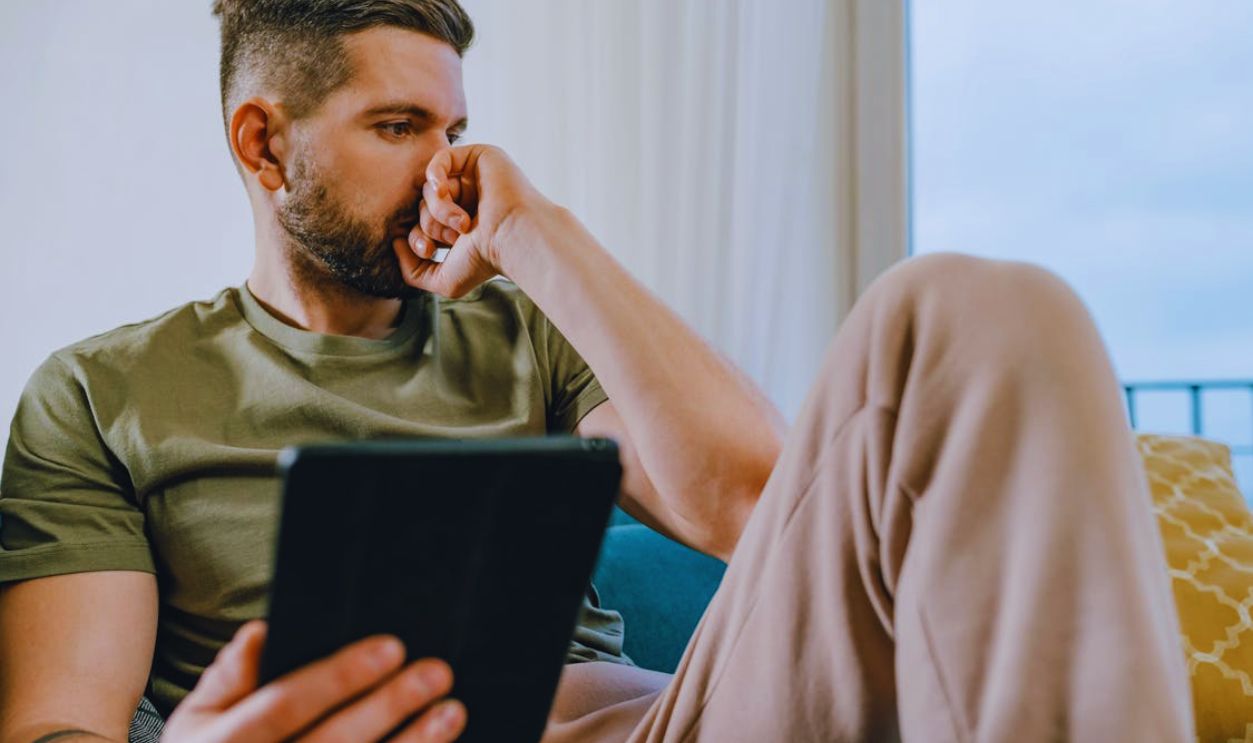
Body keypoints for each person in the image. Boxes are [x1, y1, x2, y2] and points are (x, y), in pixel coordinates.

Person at [0, 1, 1194, 741]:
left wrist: (535, 232)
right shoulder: (100, 392)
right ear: (265, 143)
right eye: (398, 127)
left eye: (454, 130)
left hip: (651, 729)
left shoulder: (528, 328)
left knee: (975, 306)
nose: (442, 169)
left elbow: (752, 505)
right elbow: (56, 719)